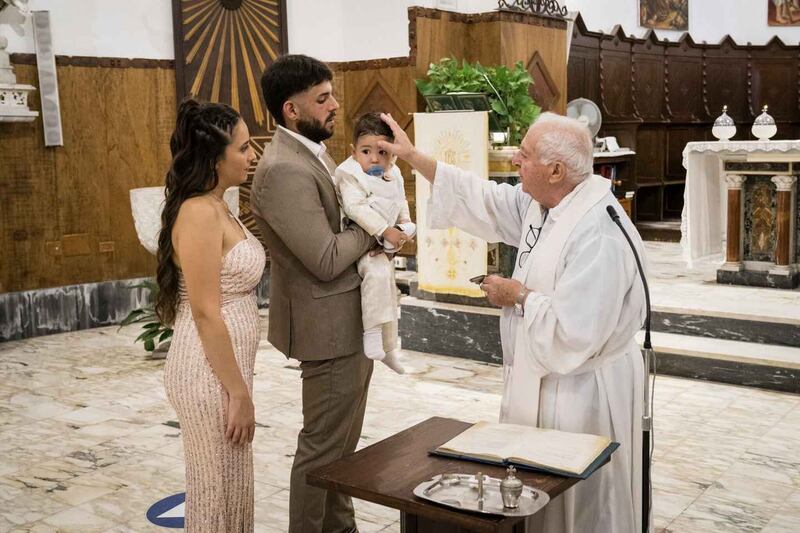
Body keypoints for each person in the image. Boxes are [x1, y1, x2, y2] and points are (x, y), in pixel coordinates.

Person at [378, 111, 648, 533]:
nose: (514, 163)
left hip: (580, 391)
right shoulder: (549, 204)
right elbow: (481, 196)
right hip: (551, 379)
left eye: (524, 156)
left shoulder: (596, 231)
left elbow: (573, 332)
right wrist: (414, 156)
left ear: (556, 170)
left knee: (580, 507)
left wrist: (517, 295)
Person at [250, 54, 382, 533]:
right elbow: (325, 258)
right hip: (327, 327)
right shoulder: (285, 167)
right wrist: (377, 230)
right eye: (323, 98)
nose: (335, 106)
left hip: (345, 322)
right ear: (290, 109)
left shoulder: (307, 152)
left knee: (342, 449)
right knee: (322, 449)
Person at [157, 98, 264, 532]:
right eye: (242, 148)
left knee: (232, 487)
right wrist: (238, 394)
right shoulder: (199, 211)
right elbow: (204, 312)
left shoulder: (220, 203)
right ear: (214, 159)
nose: (251, 155)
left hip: (225, 371)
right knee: (214, 492)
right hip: (208, 374)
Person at [334, 112, 416, 375]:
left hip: (386, 242)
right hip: (361, 240)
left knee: (388, 292)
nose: (374, 158)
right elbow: (354, 207)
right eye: (366, 151)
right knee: (376, 277)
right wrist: (384, 229)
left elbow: (401, 203)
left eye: (382, 152)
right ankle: (371, 335)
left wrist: (404, 229)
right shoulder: (349, 173)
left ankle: (389, 348)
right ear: (353, 151)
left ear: (391, 154)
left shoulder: (395, 174)